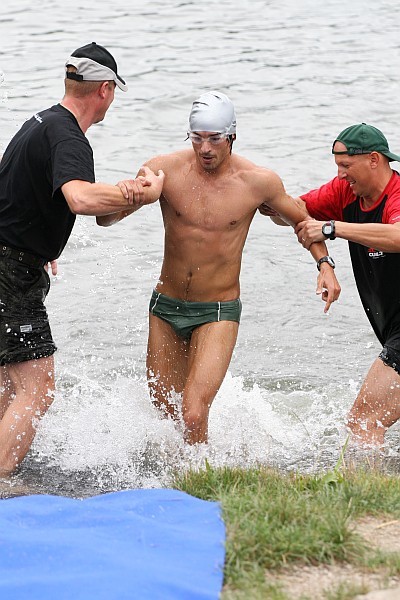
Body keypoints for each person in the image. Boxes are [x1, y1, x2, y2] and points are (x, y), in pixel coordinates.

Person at [97, 91, 340, 445]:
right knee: (164, 412)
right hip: (165, 307)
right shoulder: (164, 170)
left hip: (218, 310)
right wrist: (129, 193)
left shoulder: (258, 182)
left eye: (215, 139)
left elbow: (303, 222)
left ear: (232, 137)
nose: (205, 148)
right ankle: (176, 484)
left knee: (194, 412)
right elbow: (106, 220)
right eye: (197, 138)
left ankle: (201, 484)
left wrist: (325, 264)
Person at [0, 42, 164, 477]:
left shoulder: (40, 123)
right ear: (105, 90)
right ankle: (3, 485)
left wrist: (38, 245)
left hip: (11, 262)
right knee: (37, 389)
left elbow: (95, 215)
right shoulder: (69, 136)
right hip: (10, 272)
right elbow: (80, 198)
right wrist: (143, 191)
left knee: (7, 384)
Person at [273, 123, 400, 447]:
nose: (341, 175)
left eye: (346, 166)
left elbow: (398, 236)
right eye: (337, 167)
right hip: (391, 328)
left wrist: (331, 229)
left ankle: (361, 498)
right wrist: (266, 196)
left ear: (374, 159)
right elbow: (291, 212)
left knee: (364, 422)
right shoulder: (345, 193)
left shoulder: (396, 194)